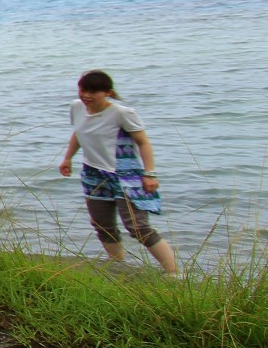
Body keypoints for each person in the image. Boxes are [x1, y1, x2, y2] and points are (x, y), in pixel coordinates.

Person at [58, 70, 179, 274]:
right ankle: (118, 266)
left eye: (93, 91)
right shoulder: (77, 107)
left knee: (138, 227)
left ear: (108, 93)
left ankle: (175, 273)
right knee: (102, 225)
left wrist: (150, 174)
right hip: (93, 174)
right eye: (83, 90)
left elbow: (143, 142)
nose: (86, 95)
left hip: (124, 175)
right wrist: (68, 157)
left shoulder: (122, 113)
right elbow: (78, 134)